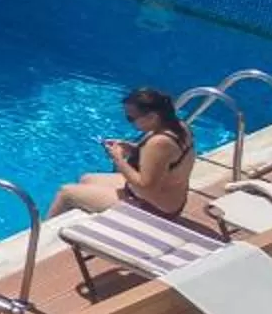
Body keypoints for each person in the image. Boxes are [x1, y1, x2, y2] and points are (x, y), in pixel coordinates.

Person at [55, 87, 193, 220]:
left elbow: (145, 188)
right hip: (168, 201)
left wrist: (118, 159)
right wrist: (133, 149)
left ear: (152, 116)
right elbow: (164, 160)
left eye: (131, 118)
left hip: (154, 209)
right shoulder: (179, 126)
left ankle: (43, 234)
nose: (131, 123)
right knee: (86, 178)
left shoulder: (159, 143)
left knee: (65, 193)